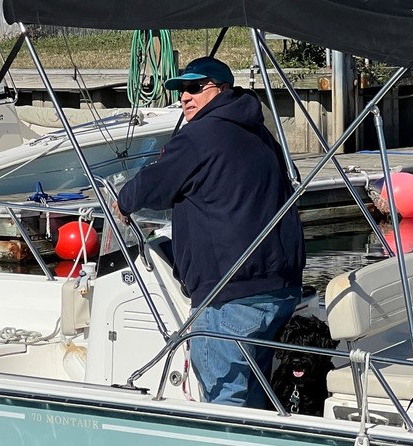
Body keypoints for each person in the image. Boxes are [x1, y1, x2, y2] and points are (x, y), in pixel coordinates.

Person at [112, 57, 305, 409]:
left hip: (231, 297)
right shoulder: (261, 133)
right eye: (181, 90)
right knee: (255, 399)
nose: (185, 97)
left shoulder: (200, 136)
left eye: (196, 87)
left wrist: (122, 202)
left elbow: (148, 188)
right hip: (280, 289)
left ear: (223, 89)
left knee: (224, 402)